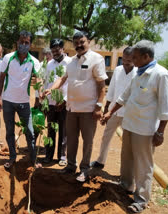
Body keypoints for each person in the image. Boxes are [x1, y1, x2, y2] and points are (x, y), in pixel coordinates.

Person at [101, 40, 168, 213]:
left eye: (135, 57)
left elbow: (166, 106)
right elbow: (124, 97)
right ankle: (125, 185)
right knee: (126, 157)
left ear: (146, 56)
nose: (132, 60)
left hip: (145, 129)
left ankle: (140, 200)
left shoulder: (160, 74)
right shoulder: (138, 73)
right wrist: (110, 112)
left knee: (143, 164)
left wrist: (160, 132)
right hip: (130, 125)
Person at [43, 31, 107, 182]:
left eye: (82, 42)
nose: (79, 45)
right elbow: (63, 78)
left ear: (88, 41)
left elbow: (101, 85)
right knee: (71, 139)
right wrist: (52, 89)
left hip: (88, 109)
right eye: (76, 43)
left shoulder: (96, 59)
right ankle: (70, 166)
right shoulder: (71, 61)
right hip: (71, 108)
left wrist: (98, 106)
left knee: (88, 140)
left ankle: (84, 169)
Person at [0, 30, 41, 169]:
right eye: (21, 41)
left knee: (30, 132)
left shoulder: (34, 62)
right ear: (17, 42)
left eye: (27, 42)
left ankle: (33, 159)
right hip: (8, 101)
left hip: (24, 102)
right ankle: (12, 157)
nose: (23, 44)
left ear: (30, 45)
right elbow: (1, 78)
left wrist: (40, 96)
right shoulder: (8, 58)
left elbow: (38, 80)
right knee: (9, 131)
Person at [91, 47, 137, 169]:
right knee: (106, 137)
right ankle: (100, 161)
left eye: (129, 60)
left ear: (134, 59)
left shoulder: (138, 73)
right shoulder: (117, 70)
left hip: (128, 114)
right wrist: (106, 109)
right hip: (113, 112)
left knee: (128, 144)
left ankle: (126, 170)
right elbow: (111, 90)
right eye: (124, 59)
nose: (126, 62)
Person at [37, 38, 71, 166]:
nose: (55, 53)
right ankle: (48, 155)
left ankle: (62, 156)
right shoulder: (49, 64)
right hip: (50, 103)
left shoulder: (70, 63)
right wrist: (41, 91)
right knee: (51, 130)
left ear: (63, 49)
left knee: (63, 131)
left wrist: (64, 100)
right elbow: (42, 79)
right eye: (53, 51)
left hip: (64, 103)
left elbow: (72, 84)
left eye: (57, 50)